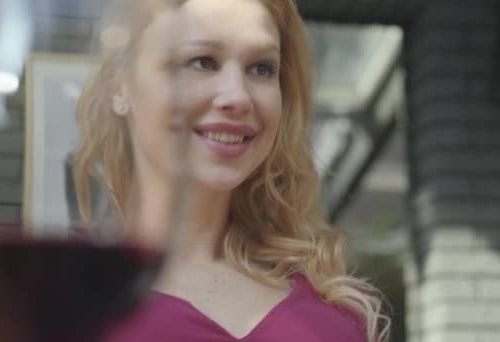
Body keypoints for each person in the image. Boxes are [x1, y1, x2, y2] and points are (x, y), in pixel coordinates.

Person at [73, 0, 390, 341]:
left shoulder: (336, 311)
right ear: (119, 87)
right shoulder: (59, 298)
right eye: (202, 61)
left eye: (262, 69)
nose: (238, 96)